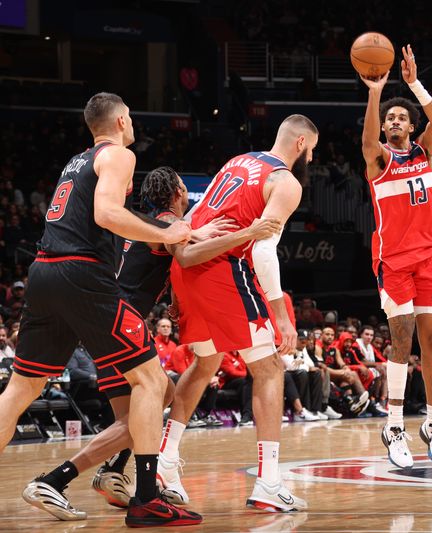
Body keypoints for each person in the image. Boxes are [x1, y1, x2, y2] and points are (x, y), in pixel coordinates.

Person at [22, 164, 280, 521]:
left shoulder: (136, 225)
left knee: (147, 410)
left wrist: (172, 298)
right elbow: (187, 254)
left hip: (101, 322)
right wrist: (237, 233)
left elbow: (155, 266)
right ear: (177, 193)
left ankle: (115, 469)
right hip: (118, 324)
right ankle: (55, 479)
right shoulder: (168, 226)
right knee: (146, 412)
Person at [0, 92, 203, 527]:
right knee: (152, 381)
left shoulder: (75, 162)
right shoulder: (119, 155)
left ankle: (114, 475)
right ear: (123, 121)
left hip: (44, 270)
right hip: (82, 276)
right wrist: (170, 232)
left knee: (19, 392)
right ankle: (146, 497)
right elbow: (108, 213)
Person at [158, 114, 319, 512]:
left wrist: (179, 274)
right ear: (300, 144)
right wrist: (281, 314)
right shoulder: (286, 182)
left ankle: (164, 459)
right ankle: (268, 483)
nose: (311, 159)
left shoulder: (237, 160)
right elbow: (263, 250)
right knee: (270, 369)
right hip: (223, 270)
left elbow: (191, 220)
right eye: (311, 151)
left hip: (188, 264)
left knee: (205, 361)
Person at [360, 45, 432, 468]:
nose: (394, 122)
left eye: (401, 118)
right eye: (389, 119)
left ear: (411, 128)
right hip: (393, 260)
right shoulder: (378, 159)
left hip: (427, 258)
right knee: (402, 340)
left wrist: (412, 82)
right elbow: (366, 138)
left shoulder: (425, 152)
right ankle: (393, 424)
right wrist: (377, 92)